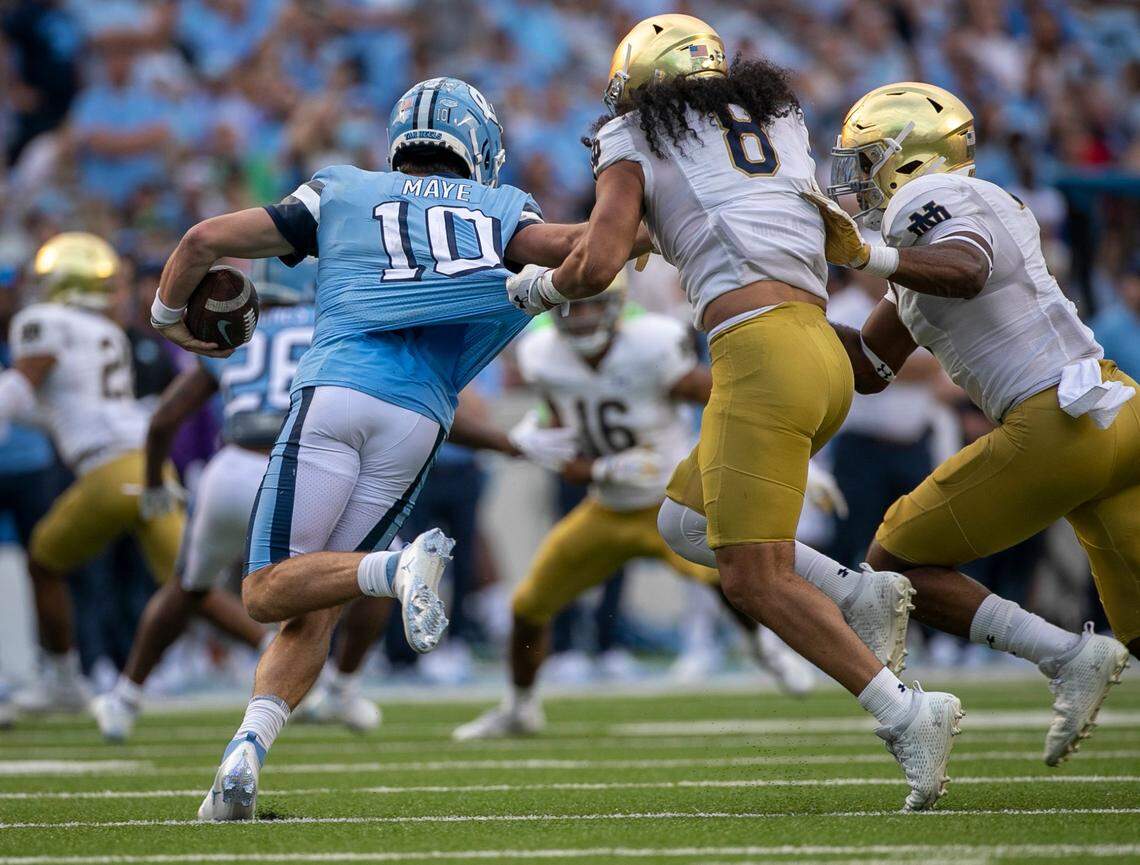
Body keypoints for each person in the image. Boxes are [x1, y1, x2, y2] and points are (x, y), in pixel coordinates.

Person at [505, 15, 960, 812]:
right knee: (685, 525)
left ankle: (906, 712)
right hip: (821, 347)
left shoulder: (633, 130)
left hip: (756, 355)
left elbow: (604, 260)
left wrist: (540, 288)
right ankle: (860, 593)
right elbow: (694, 218)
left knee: (754, 578)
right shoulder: (778, 117)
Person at [151, 76, 632, 821]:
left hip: (338, 391)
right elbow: (586, 249)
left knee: (263, 586)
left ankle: (399, 567)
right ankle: (238, 765)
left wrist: (165, 315)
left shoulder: (341, 188)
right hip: (420, 422)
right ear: (477, 144)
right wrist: (630, 195)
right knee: (315, 600)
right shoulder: (501, 209)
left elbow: (203, 240)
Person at [803, 80, 1131, 766]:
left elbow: (969, 268)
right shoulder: (933, 233)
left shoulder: (928, 203)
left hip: (1057, 423)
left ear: (909, 156)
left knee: (894, 566)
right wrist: (778, 309)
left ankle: (1065, 656)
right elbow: (869, 362)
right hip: (1116, 415)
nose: (856, 183)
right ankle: (1079, 655)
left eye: (865, 162)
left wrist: (867, 256)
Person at [455, 275, 827, 740]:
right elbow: (562, 425)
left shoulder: (651, 343)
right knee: (529, 604)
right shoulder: (542, 354)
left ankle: (763, 648)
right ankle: (520, 706)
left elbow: (726, 398)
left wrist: (795, 457)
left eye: (591, 305)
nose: (581, 316)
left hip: (668, 505)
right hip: (605, 507)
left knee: (730, 578)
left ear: (616, 305)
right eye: (570, 307)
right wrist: (542, 438)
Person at [90, 283, 314, 742]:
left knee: (189, 586)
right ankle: (341, 684)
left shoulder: (236, 332)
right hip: (295, 469)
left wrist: (154, 484)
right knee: (374, 562)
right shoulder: (330, 327)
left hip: (228, 470)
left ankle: (125, 696)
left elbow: (164, 418)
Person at [0, 232, 185, 713]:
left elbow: (23, 386)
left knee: (44, 563)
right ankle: (273, 648)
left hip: (110, 469)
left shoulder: (43, 321)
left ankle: (64, 679)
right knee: (190, 582)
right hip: (148, 463)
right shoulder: (106, 332)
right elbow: (60, 408)